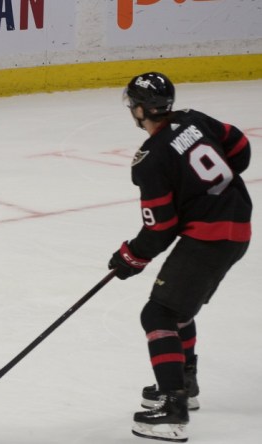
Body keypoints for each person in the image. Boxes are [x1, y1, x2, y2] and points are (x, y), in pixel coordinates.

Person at [108, 72, 251, 442]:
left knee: (159, 314)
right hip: (237, 227)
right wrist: (211, 192)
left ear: (140, 110)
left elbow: (161, 227)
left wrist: (130, 256)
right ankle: (184, 384)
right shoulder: (194, 119)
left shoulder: (149, 160)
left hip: (209, 239)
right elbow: (241, 148)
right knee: (179, 308)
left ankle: (173, 408)